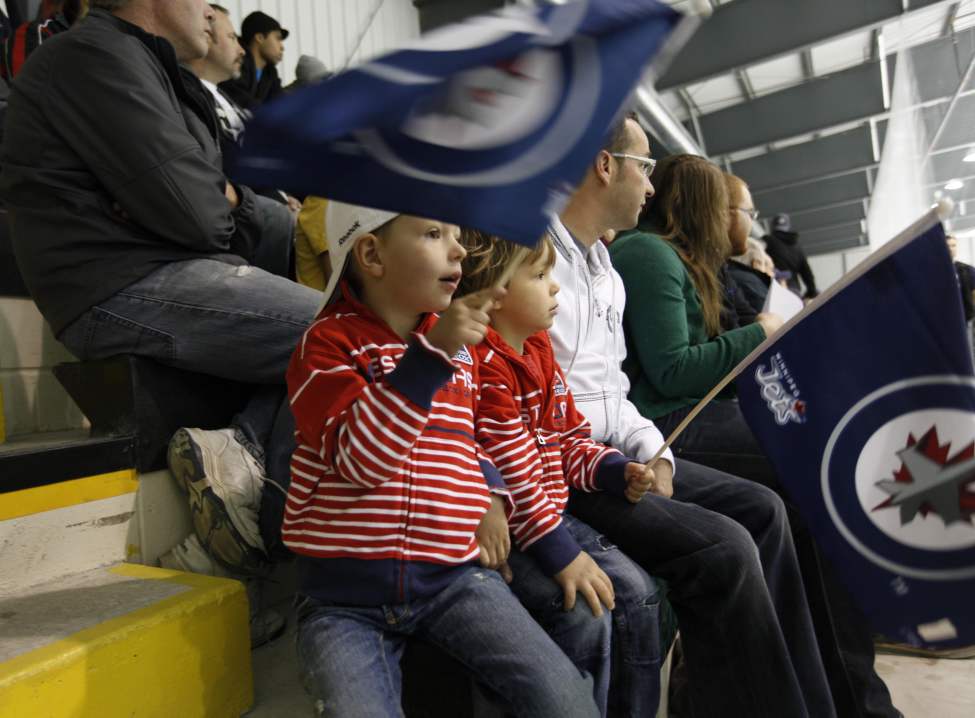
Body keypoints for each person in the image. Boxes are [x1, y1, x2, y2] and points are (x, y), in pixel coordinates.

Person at [0, 0, 321, 616]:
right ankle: (248, 497)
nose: (211, 10)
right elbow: (198, 212)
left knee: (358, 321)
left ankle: (243, 456)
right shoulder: (95, 56)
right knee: (352, 339)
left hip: (163, 267)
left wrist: (217, 200)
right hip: (115, 284)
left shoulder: (150, 67)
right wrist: (213, 201)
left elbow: (211, 205)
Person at [548, 114, 836, 717]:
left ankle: (808, 698)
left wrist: (660, 454)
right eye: (643, 167)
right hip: (573, 468)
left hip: (626, 452)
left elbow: (615, 390)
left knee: (765, 509)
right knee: (728, 545)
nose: (650, 187)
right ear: (606, 166)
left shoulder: (605, 268)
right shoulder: (541, 261)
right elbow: (644, 381)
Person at [610, 153, 901, 717]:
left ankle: (837, 687)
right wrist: (760, 335)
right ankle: (852, 695)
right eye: (725, 208)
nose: (732, 221)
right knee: (820, 466)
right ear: (698, 204)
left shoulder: (684, 262)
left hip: (687, 414)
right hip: (667, 425)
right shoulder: (646, 254)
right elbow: (672, 372)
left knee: (813, 468)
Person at [283, 200, 600, 718]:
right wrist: (430, 355)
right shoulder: (326, 346)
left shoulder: (457, 351)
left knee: (566, 701)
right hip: (345, 604)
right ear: (372, 254)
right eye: (433, 233)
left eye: (454, 233)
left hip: (452, 580)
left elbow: (461, 441)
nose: (458, 249)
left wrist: (491, 493)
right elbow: (361, 461)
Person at [459, 231, 663, 717]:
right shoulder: (485, 364)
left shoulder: (541, 352)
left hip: (550, 516)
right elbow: (515, 479)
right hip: (516, 531)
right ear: (498, 291)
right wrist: (560, 554)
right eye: (541, 275)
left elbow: (570, 438)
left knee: (639, 592)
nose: (556, 288)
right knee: (586, 611)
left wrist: (616, 469)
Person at [219, 9, 285, 109]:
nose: (282, 47)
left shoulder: (270, 72)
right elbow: (239, 98)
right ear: (260, 38)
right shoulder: (236, 62)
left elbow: (280, 103)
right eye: (278, 38)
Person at [763, 212, 819, 299]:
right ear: (788, 226)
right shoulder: (797, 247)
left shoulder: (767, 242)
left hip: (772, 290)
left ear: (772, 227)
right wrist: (812, 291)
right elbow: (807, 272)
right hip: (794, 291)